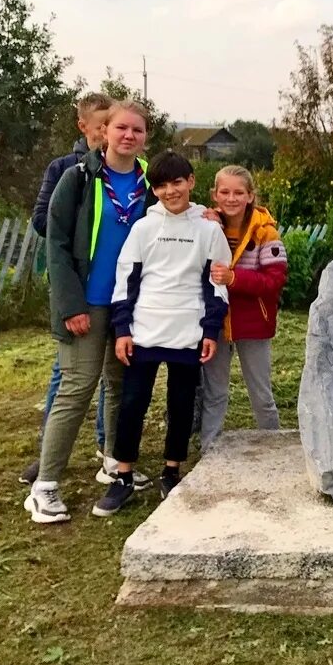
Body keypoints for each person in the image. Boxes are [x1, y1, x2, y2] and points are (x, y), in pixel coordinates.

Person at [24, 100, 156, 524]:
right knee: (77, 388)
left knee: (119, 386)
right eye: (121, 128)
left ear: (144, 136)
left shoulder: (150, 183)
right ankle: (45, 487)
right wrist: (70, 305)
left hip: (127, 306)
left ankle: (116, 466)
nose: (128, 136)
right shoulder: (77, 178)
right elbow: (56, 245)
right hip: (86, 302)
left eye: (137, 129)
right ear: (104, 131)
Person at [92, 151, 230, 516]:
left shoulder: (208, 229)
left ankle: (172, 471)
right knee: (133, 404)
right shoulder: (143, 228)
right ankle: (123, 476)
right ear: (154, 190)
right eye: (162, 185)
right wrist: (123, 329)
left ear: (191, 182)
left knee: (182, 405)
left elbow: (218, 285)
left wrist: (211, 330)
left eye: (177, 182)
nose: (171, 191)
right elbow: (126, 279)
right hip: (144, 331)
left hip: (189, 331)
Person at [19, 93, 113, 486]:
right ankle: (48, 457)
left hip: (113, 294)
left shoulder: (128, 172)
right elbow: (44, 222)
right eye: (102, 126)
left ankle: (107, 446)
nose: (109, 133)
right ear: (85, 127)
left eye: (116, 125)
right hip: (75, 287)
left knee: (113, 376)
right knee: (68, 376)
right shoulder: (64, 170)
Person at [193, 165, 287, 452]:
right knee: (215, 391)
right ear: (214, 194)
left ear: (250, 196)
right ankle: (209, 448)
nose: (231, 198)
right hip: (216, 322)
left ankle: (274, 445)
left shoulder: (265, 232)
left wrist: (235, 278)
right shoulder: (206, 225)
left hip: (253, 323)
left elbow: (275, 280)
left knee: (261, 393)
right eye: (224, 192)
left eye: (238, 192)